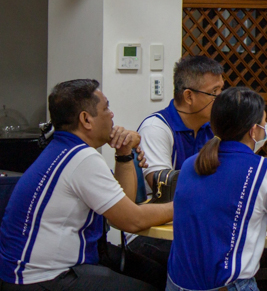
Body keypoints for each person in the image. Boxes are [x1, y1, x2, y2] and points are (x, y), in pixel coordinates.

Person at [0, 79, 173, 291]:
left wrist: (124, 152)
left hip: (36, 270)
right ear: (86, 119)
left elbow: (123, 206)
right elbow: (132, 221)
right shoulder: (81, 158)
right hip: (43, 278)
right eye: (106, 107)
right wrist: (182, 205)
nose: (111, 114)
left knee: (157, 273)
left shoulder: (64, 148)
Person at [167, 87, 267, 291]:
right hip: (230, 286)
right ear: (254, 131)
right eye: (264, 123)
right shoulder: (264, 171)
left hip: (176, 284)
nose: (265, 128)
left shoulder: (189, 165)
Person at [126, 56, 225, 275]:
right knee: (209, 257)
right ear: (189, 96)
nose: (221, 99)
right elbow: (167, 188)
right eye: (214, 93)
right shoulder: (157, 128)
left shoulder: (214, 128)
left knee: (263, 252)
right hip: (153, 232)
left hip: (197, 227)